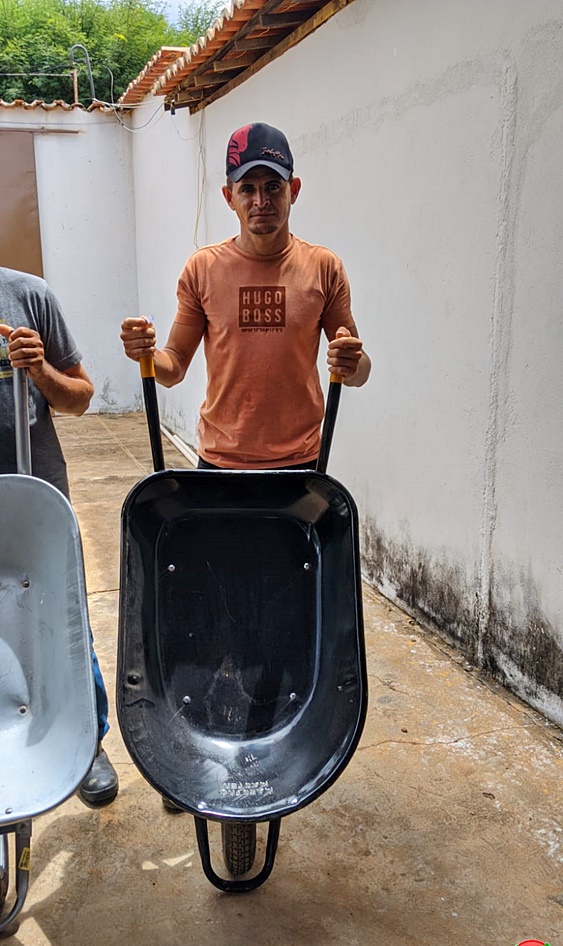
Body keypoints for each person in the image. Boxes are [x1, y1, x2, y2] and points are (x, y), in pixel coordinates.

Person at [120, 121, 371, 472]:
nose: (260, 201)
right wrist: (146, 354)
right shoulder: (203, 269)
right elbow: (173, 366)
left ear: (294, 190)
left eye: (273, 187)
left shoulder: (323, 267)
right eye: (247, 189)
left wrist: (350, 362)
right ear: (229, 197)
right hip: (220, 463)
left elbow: (359, 370)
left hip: (300, 464)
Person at [0, 266, 118, 806]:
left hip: (38, 490)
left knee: (64, 617)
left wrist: (39, 368)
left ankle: (87, 743)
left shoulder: (30, 295)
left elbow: (80, 397)